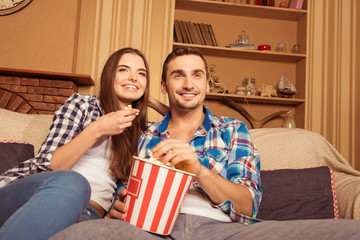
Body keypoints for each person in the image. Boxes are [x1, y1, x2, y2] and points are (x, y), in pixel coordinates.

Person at [50, 46, 262, 239]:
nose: (188, 84)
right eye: (178, 76)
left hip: (221, 229)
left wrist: (198, 170)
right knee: (76, 235)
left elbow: (247, 206)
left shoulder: (233, 130)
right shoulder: (143, 135)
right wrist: (117, 207)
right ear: (163, 86)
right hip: (148, 230)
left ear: (207, 84)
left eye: (197, 75)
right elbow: (124, 191)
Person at [0, 47, 167, 240]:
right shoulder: (82, 105)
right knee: (75, 182)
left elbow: (185, 123)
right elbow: (47, 167)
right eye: (123, 70)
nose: (133, 77)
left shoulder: (142, 131)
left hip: (90, 215)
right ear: (109, 75)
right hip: (34, 197)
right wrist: (97, 129)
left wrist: (150, 101)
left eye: (141, 74)